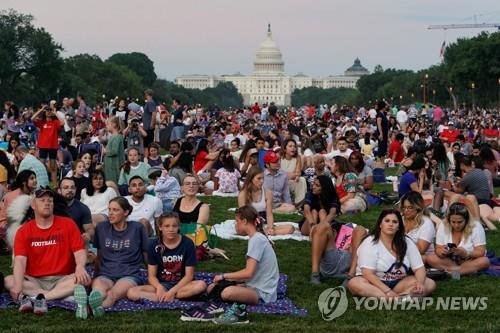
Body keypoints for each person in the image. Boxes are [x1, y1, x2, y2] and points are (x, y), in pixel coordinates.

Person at [5, 188, 91, 314]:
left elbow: (79, 251)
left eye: (50, 201)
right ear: (33, 205)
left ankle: (38, 298)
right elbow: (20, 261)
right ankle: (61, 296)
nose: (47, 203)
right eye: (42, 200)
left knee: (85, 278)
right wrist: (18, 285)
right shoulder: (24, 231)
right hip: (35, 280)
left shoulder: (68, 224)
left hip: (63, 278)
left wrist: (80, 267)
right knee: (9, 280)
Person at [76, 197, 149, 318]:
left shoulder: (137, 228)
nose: (110, 213)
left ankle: (88, 309)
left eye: (115, 210)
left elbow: (146, 252)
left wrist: (151, 275)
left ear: (125, 212)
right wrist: (95, 275)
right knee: (98, 291)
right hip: (105, 273)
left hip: (129, 274)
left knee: (112, 294)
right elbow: (99, 254)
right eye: (109, 209)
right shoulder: (101, 227)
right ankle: (91, 306)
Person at [208, 205, 279, 324]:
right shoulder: (256, 238)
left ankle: (238, 312)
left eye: (237, 221)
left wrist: (224, 276)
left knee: (227, 293)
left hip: (263, 293)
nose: (235, 225)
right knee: (212, 288)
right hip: (253, 284)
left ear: (245, 221)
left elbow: (248, 273)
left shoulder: (257, 240)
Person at [348, 209, 436, 299]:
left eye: (395, 222)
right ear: (380, 224)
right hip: (373, 283)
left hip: (398, 282)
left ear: (398, 227)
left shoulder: (407, 242)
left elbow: (419, 268)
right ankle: (392, 298)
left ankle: (400, 297)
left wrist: (420, 283)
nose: (391, 224)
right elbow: (368, 274)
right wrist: (388, 291)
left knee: (429, 283)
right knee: (354, 283)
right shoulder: (370, 242)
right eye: (387, 221)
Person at [127, 212, 206, 305]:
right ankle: (170, 298)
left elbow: (189, 276)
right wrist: (159, 287)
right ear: (160, 227)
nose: (171, 229)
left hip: (182, 285)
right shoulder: (153, 245)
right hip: (162, 284)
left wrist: (172, 291)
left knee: (201, 285)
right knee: (131, 292)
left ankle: (167, 297)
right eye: (167, 226)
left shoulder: (188, 244)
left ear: (179, 227)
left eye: (174, 226)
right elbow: (151, 276)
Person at [427, 202, 489, 276]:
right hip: (450, 261)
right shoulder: (443, 225)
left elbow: (480, 251)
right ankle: (464, 271)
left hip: (469, 260)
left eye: (460, 222)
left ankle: (453, 273)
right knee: (430, 258)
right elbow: (438, 248)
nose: (456, 225)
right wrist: (442, 252)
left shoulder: (476, 226)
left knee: (484, 261)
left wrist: (466, 253)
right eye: (453, 222)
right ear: (448, 219)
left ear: (466, 220)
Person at [239, 166, 294, 235]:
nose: (262, 181)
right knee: (243, 230)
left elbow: (269, 214)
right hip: (247, 222)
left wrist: (270, 228)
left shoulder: (268, 193)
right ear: (251, 179)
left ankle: (264, 231)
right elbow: (242, 216)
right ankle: (261, 231)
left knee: (291, 228)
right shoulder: (243, 194)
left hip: (262, 223)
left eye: (263, 178)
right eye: (259, 178)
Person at [0, 170, 37, 243]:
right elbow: (14, 220)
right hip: (8, 226)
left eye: (35, 178)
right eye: (32, 178)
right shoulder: (14, 196)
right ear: (24, 182)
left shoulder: (33, 194)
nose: (35, 180)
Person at [400, 191, 435, 263]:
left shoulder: (426, 223)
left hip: (422, 258)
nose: (406, 210)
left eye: (410, 208)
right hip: (402, 254)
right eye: (404, 207)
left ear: (418, 207)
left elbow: (420, 250)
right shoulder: (400, 219)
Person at [32, 105, 64, 182]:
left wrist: (55, 112)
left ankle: (54, 184)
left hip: (53, 146)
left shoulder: (55, 122)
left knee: (53, 167)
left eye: (50, 110)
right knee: (41, 166)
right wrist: (42, 109)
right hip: (43, 146)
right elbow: (32, 118)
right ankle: (42, 182)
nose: (49, 112)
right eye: (47, 110)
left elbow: (62, 123)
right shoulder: (42, 122)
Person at [59, 178, 94, 243]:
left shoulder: (83, 208)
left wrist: (88, 234)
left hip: (76, 242)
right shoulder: (53, 207)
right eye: (66, 188)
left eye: (72, 188)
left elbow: (89, 228)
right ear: (59, 190)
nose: (70, 190)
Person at [280, 139, 307, 206]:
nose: (293, 148)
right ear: (285, 148)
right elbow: (278, 173)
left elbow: (298, 173)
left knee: (302, 180)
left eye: (294, 146)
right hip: (281, 180)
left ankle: (299, 203)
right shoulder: (279, 157)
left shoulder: (297, 157)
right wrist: (287, 175)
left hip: (292, 180)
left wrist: (294, 176)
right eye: (290, 146)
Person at [104, 116, 125, 185]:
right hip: (110, 165)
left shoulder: (116, 137)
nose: (106, 126)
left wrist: (105, 152)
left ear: (114, 125)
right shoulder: (114, 136)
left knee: (113, 184)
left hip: (114, 166)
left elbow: (114, 151)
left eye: (108, 124)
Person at [142, 89, 157, 159]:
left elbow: (154, 113)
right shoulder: (149, 102)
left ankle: (147, 158)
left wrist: (152, 124)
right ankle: (147, 157)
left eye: (145, 94)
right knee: (146, 143)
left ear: (147, 94)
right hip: (146, 126)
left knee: (148, 144)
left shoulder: (150, 102)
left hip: (148, 126)